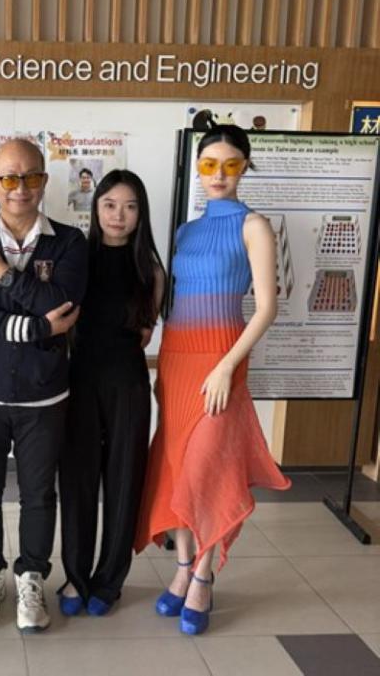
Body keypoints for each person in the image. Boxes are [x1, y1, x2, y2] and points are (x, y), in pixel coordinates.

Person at [134, 124, 291, 635]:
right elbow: (175, 295)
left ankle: (204, 574)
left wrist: (226, 365)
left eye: (230, 165)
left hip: (222, 360)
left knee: (207, 469)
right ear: (198, 168)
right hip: (178, 359)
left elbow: (266, 308)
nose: (218, 175)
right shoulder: (186, 231)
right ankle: (183, 568)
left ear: (245, 166)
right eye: (208, 165)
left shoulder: (255, 226)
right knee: (176, 465)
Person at [0, 138, 87, 633]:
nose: (20, 187)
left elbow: (63, 304)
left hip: (44, 396)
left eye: (30, 177)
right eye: (9, 177)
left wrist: (3, 275)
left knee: (38, 494)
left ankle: (31, 578)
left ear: (44, 181)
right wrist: (36, 328)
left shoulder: (69, 242)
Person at [58, 169, 165, 618]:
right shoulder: (75, 259)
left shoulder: (150, 270)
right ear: (96, 208)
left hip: (127, 384)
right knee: (77, 481)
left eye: (130, 206)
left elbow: (145, 333)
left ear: (141, 214)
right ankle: (75, 576)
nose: (118, 215)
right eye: (109, 205)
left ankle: (109, 579)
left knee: (124, 480)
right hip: (79, 381)